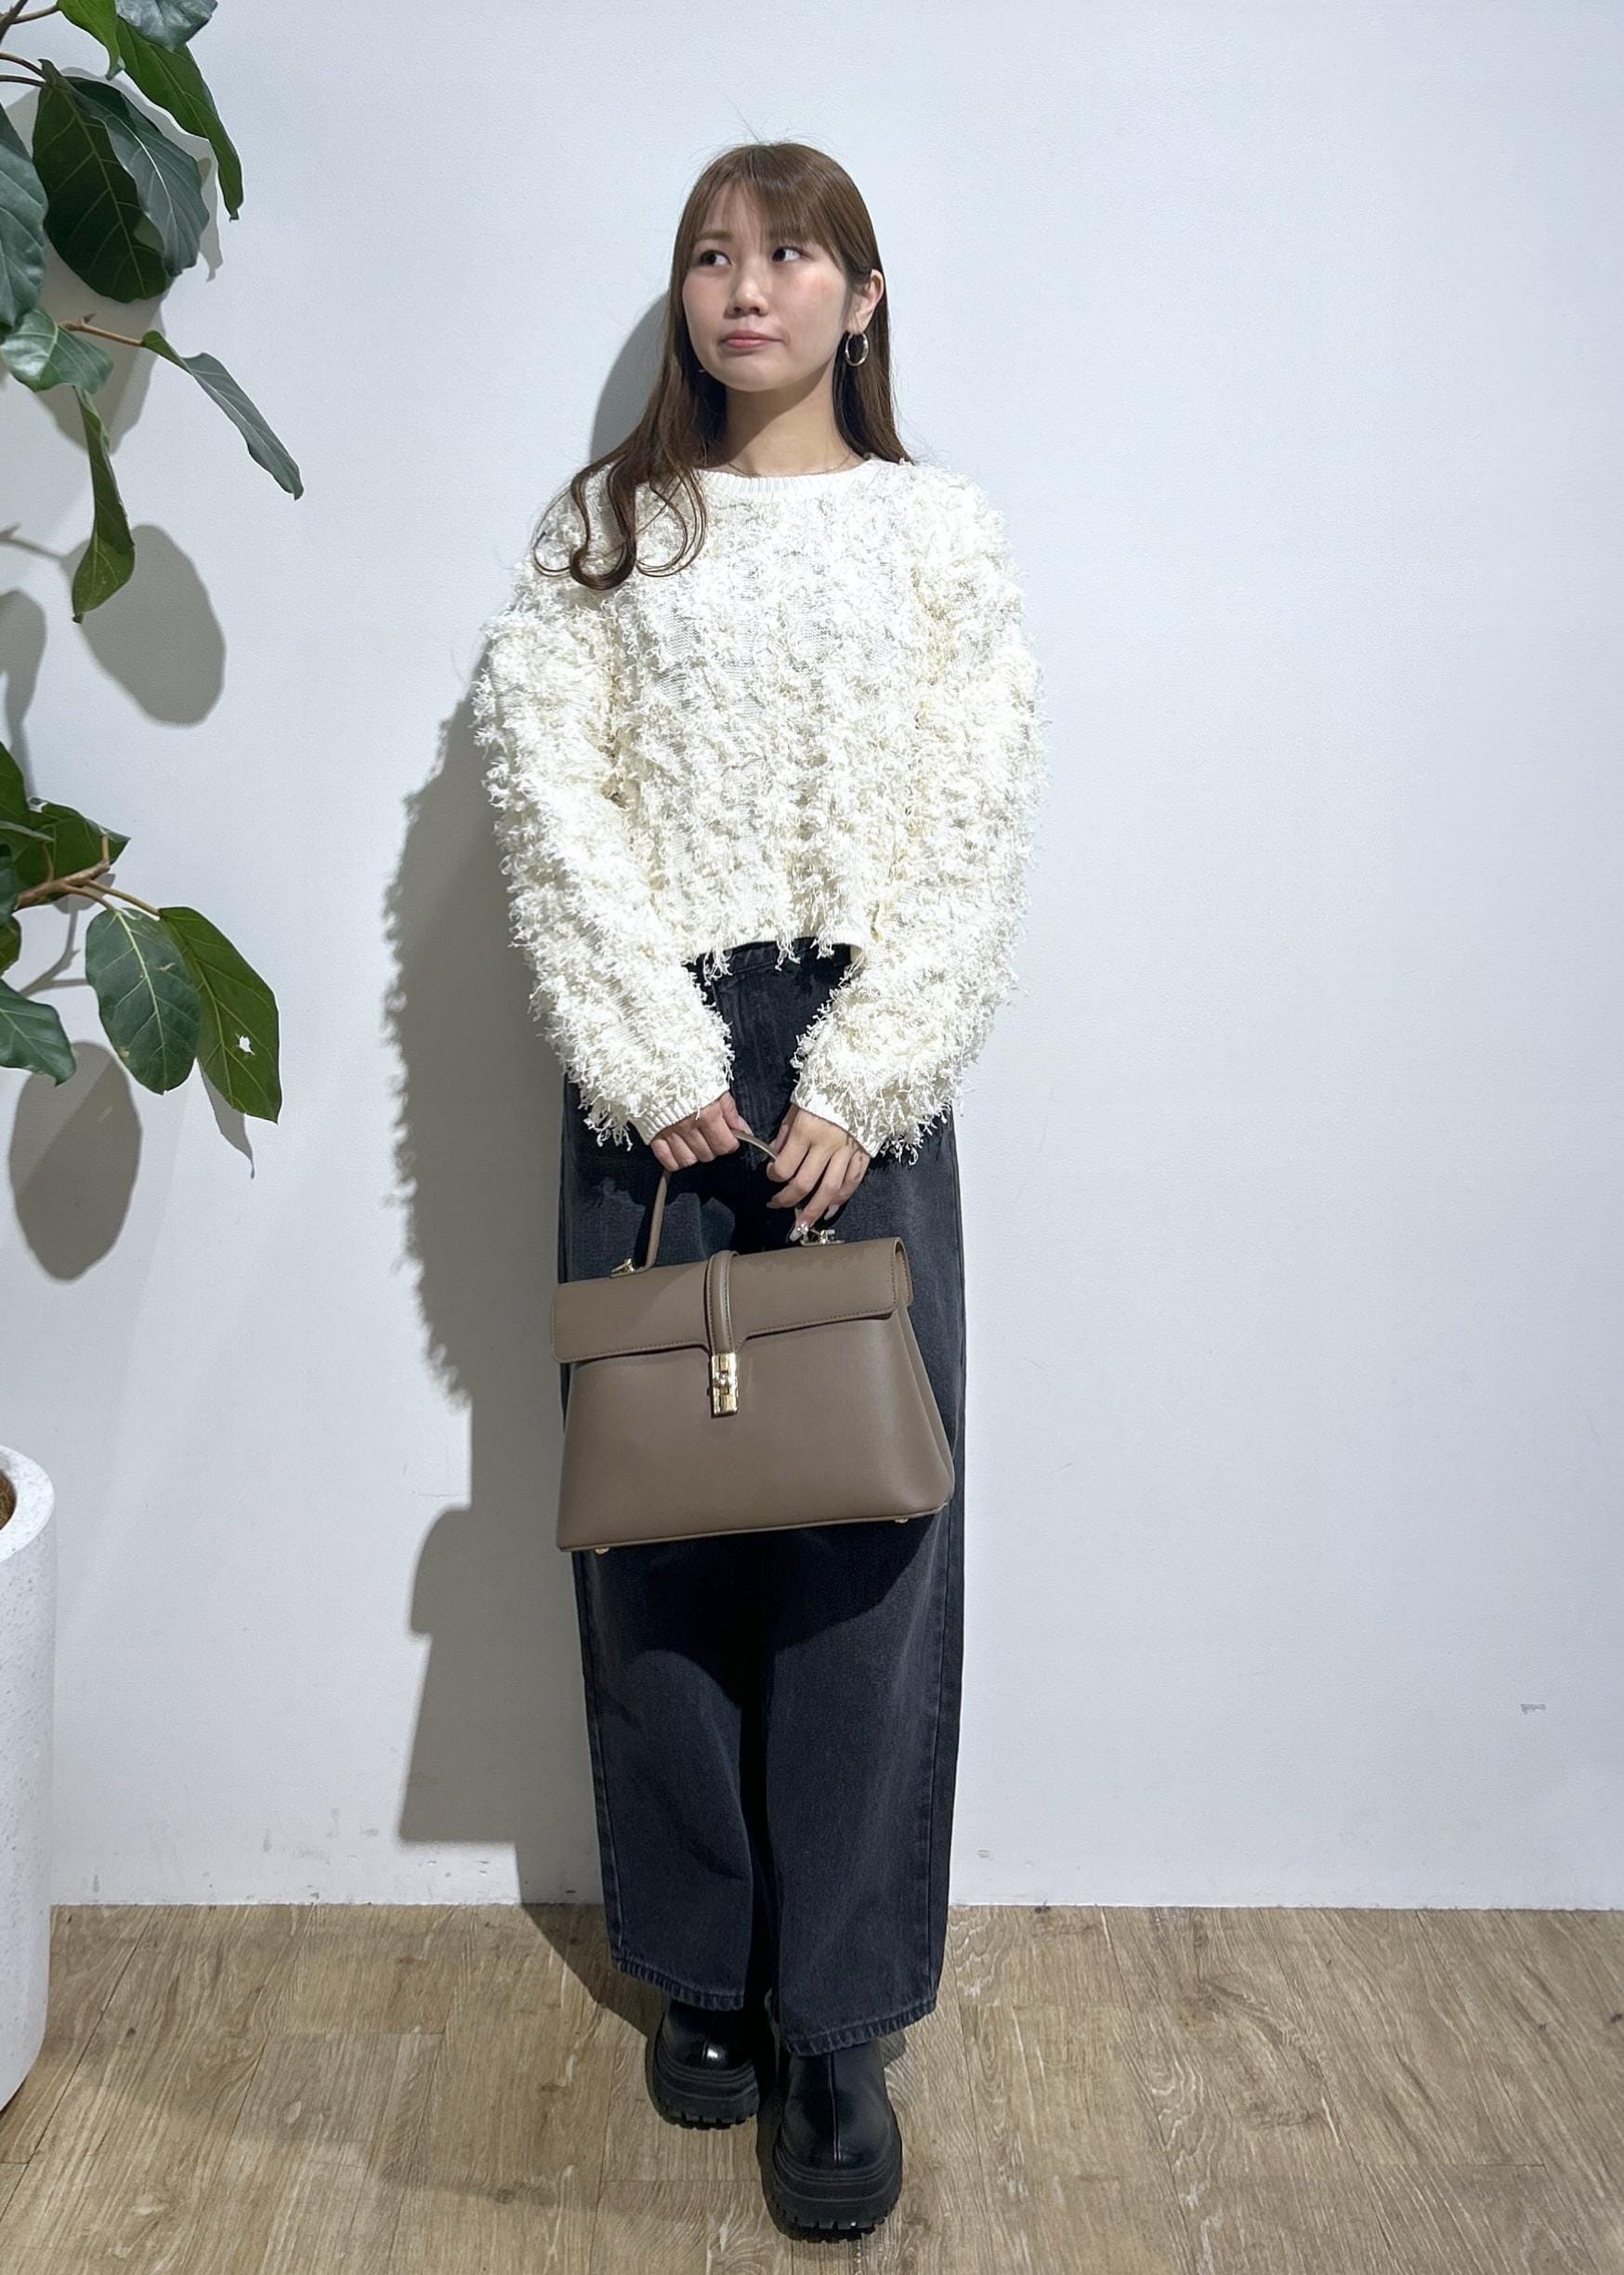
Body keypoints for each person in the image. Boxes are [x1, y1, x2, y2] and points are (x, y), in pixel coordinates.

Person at [471, 138, 1047, 2238]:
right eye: (712, 254)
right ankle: (699, 1970)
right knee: (660, 1532)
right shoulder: (608, 530)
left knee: (863, 1545)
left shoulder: (936, 532)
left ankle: (839, 2018)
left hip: (862, 1071)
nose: (746, 287)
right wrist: (651, 1057)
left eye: (792, 253)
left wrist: (869, 1079)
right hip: (656, 1072)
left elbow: (976, 809)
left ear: (860, 298)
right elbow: (546, 788)